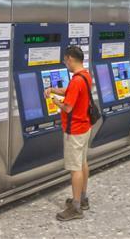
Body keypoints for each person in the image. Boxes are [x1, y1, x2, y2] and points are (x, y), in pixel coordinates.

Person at [44, 45, 93, 221]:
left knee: (75, 169)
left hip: (75, 130)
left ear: (70, 59)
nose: (66, 64)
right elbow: (71, 91)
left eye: (65, 61)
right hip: (85, 126)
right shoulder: (85, 75)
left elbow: (68, 107)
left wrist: (54, 100)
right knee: (83, 163)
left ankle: (76, 207)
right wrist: (54, 89)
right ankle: (83, 198)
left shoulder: (76, 80)